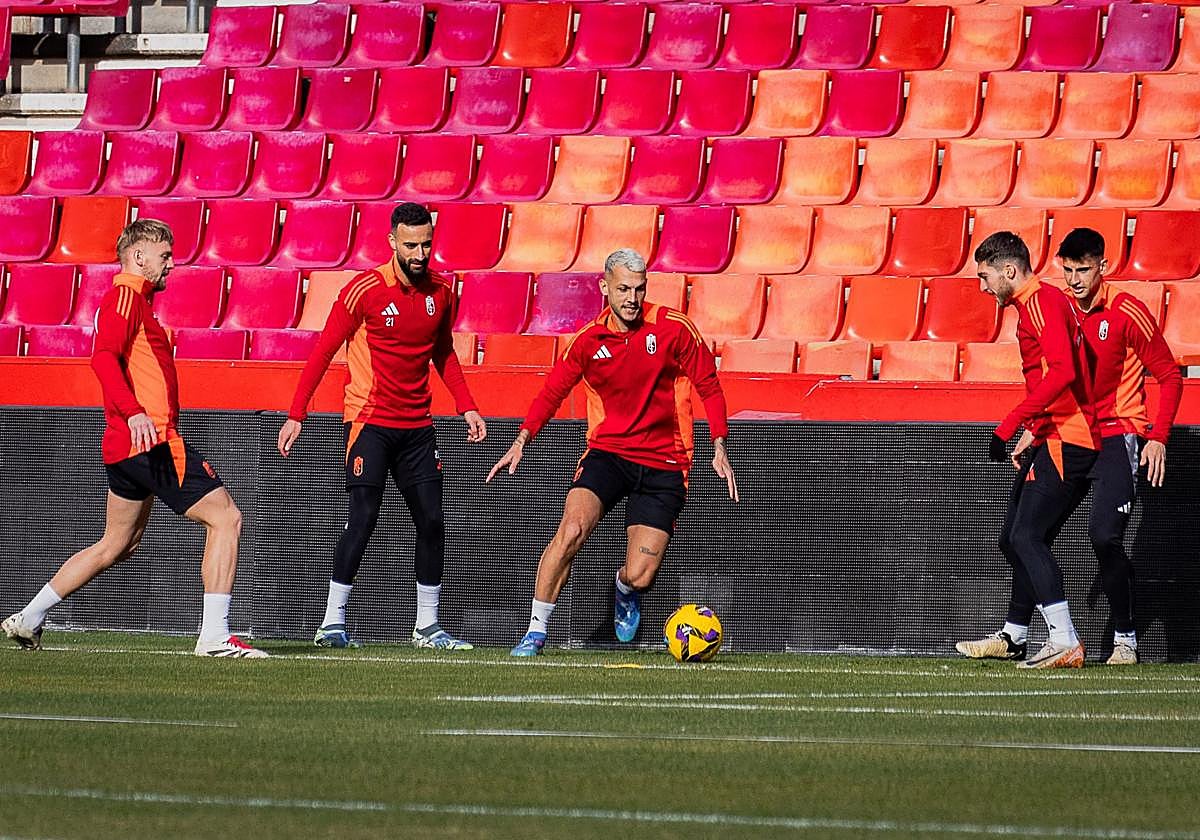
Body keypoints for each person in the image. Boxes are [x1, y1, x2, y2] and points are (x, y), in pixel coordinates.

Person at [2, 219, 265, 658]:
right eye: (164, 256)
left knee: (116, 544)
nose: (172, 264)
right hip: (152, 439)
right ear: (139, 257)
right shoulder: (125, 296)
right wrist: (137, 412)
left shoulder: (133, 302)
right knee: (226, 519)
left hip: (125, 445)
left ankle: (29, 617)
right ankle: (215, 636)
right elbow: (103, 359)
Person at [487, 248, 738, 657]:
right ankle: (535, 630)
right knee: (571, 531)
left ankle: (624, 589)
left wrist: (719, 443)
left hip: (664, 462)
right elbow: (553, 391)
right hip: (608, 454)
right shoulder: (588, 341)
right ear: (605, 287)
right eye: (623, 288)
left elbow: (708, 384)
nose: (632, 298)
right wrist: (522, 439)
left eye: (639, 289)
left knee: (641, 576)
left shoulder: (674, 328)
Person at [279, 202, 485, 651]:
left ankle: (427, 627)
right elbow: (323, 350)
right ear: (392, 241)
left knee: (432, 521)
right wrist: (297, 412)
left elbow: (444, 353)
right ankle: (331, 621)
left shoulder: (442, 293)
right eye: (410, 244)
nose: (419, 253)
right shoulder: (365, 291)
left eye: (426, 244)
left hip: (418, 428)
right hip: (369, 423)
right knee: (364, 518)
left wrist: (466, 406)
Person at [1007, 228, 1181, 665]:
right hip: (1070, 434)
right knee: (1028, 533)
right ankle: (1018, 633)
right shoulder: (1060, 309)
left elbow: (1170, 375)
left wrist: (1158, 435)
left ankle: (1126, 640)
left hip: (1117, 436)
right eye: (1067, 270)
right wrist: (1036, 426)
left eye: (1083, 269)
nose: (1075, 279)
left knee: (1104, 537)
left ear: (1103, 266)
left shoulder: (1126, 310)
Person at [957, 231, 1100, 669]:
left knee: (1026, 536)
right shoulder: (1038, 305)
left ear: (1009, 270)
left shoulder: (1040, 303)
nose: (983, 287)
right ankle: (1015, 635)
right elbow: (1052, 378)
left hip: (1069, 437)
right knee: (1012, 537)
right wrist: (1034, 432)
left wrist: (1011, 424)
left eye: (985, 276)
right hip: (1052, 433)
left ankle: (1065, 640)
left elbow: (1062, 372)